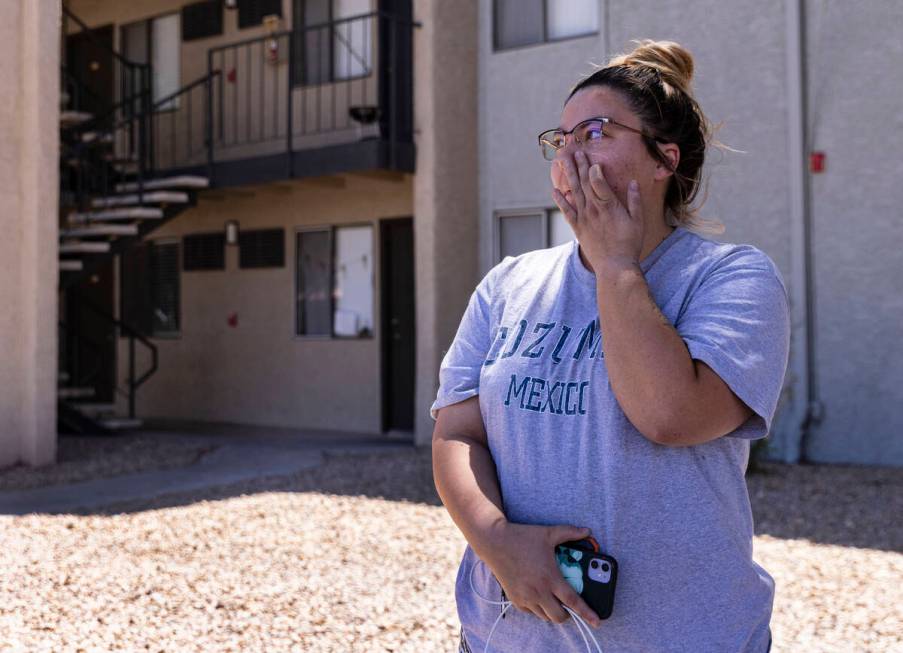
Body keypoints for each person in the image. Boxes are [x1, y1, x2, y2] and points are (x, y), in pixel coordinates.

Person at [430, 40, 790, 653]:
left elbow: (670, 416)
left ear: (663, 160)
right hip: (505, 638)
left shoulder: (732, 279)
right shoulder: (509, 283)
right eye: (560, 137)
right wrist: (498, 542)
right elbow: (458, 432)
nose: (571, 151)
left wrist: (616, 264)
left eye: (595, 131)